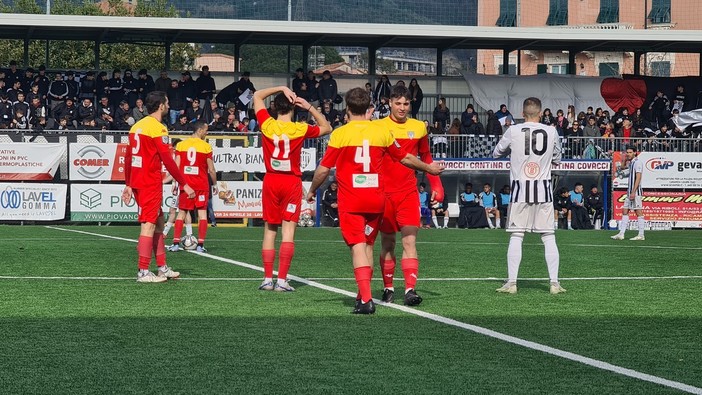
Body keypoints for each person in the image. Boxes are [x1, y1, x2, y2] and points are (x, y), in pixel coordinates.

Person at [306, 87, 444, 314]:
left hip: (353, 200)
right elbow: (406, 158)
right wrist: (429, 168)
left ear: (348, 109)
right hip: (378, 200)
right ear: (370, 107)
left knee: (359, 246)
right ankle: (370, 292)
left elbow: (323, 169)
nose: (402, 108)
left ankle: (366, 300)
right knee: (370, 244)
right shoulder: (381, 132)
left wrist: (312, 189)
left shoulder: (341, 133)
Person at [253, 85, 332, 292]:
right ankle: (282, 281)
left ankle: (267, 279)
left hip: (271, 180)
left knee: (270, 230)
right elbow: (327, 128)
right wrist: (310, 107)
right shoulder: (300, 128)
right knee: (288, 232)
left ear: (275, 107)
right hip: (290, 182)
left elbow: (256, 95)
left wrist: (281, 87)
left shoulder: (267, 124)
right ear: (294, 107)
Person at [376, 84, 444, 306]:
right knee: (387, 243)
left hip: (408, 193)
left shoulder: (418, 127)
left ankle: (410, 290)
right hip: (384, 193)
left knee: (409, 241)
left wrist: (436, 184)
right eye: (398, 103)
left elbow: (426, 155)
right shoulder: (378, 127)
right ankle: (388, 288)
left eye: (406, 103)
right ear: (389, 103)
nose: (402, 107)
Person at [492, 97, 566, 295]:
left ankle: (512, 283)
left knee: (517, 235)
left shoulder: (513, 130)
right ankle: (554, 283)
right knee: (548, 236)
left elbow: (496, 152)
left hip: (520, 189)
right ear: (541, 113)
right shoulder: (552, 131)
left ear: (523, 114)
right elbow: (558, 159)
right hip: (543, 189)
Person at [121, 91, 195, 283]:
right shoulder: (158, 128)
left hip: (138, 180)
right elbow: (168, 160)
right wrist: (184, 183)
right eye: (167, 102)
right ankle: (143, 271)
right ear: (161, 105)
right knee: (149, 225)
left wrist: (128, 184)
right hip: (149, 181)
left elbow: (128, 158)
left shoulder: (136, 127)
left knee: (159, 224)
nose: (169, 106)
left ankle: (162, 268)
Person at [167, 122, 217, 253]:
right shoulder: (206, 147)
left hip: (186, 185)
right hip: (201, 185)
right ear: (200, 130)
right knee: (202, 214)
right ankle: (200, 245)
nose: (207, 133)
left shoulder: (181, 145)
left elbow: (176, 167)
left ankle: (176, 243)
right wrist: (215, 183)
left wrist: (175, 183)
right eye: (206, 130)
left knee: (182, 213)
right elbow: (211, 169)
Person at [612, 146, 646, 241]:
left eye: (630, 152)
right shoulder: (632, 163)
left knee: (638, 212)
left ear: (635, 153)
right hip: (629, 191)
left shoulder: (638, 163)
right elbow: (622, 168)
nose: (628, 154)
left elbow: (638, 177)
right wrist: (624, 159)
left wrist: (633, 192)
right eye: (627, 152)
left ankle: (641, 234)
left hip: (635, 192)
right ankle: (621, 233)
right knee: (625, 211)